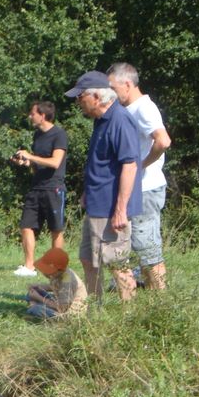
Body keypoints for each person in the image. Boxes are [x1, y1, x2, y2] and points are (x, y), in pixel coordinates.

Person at [65, 71, 142, 301]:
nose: (78, 102)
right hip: (96, 205)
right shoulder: (100, 121)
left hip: (111, 209)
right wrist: (87, 190)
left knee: (116, 263)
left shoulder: (120, 119)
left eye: (81, 97)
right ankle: (96, 310)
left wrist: (120, 209)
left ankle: (130, 317)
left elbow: (130, 165)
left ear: (97, 97)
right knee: (88, 259)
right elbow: (101, 163)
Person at [107, 62, 172, 290]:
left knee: (148, 250)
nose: (111, 94)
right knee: (140, 248)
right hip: (137, 190)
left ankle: (161, 304)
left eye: (113, 88)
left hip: (146, 188)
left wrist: (140, 165)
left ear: (127, 84)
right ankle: (151, 295)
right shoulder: (129, 109)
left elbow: (163, 141)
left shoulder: (144, 107)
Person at [11, 101, 68, 277]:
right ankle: (29, 266)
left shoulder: (59, 134)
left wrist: (31, 156)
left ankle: (57, 267)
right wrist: (25, 162)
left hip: (54, 188)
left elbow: (55, 162)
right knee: (26, 225)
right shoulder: (37, 135)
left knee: (55, 229)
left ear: (42, 115)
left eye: (32, 113)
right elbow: (37, 163)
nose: (30, 116)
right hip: (36, 187)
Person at [25, 247, 86, 319]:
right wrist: (39, 286)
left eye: (47, 271)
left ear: (57, 270)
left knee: (35, 309)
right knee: (33, 292)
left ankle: (35, 307)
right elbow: (55, 286)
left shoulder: (67, 281)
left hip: (69, 314)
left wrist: (39, 298)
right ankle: (35, 305)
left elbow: (62, 308)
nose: (44, 273)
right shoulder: (59, 274)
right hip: (58, 301)